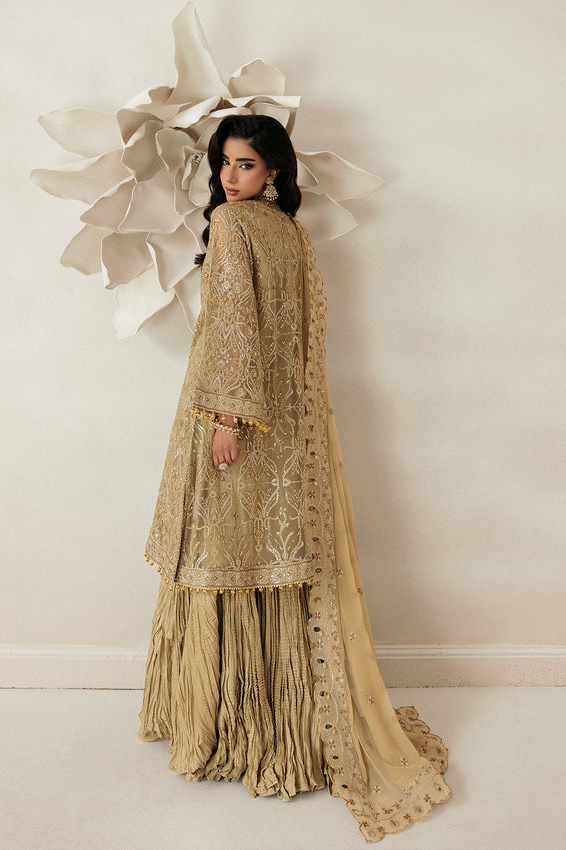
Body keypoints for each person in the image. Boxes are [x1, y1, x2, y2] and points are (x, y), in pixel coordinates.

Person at [138, 114, 452, 842]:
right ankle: (292, 727)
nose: (230, 177)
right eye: (224, 163)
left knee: (222, 554)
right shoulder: (290, 231)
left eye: (246, 165)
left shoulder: (234, 225)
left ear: (274, 170)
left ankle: (229, 729)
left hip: (235, 417)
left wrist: (227, 417)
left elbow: (236, 327)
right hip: (292, 427)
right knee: (276, 558)